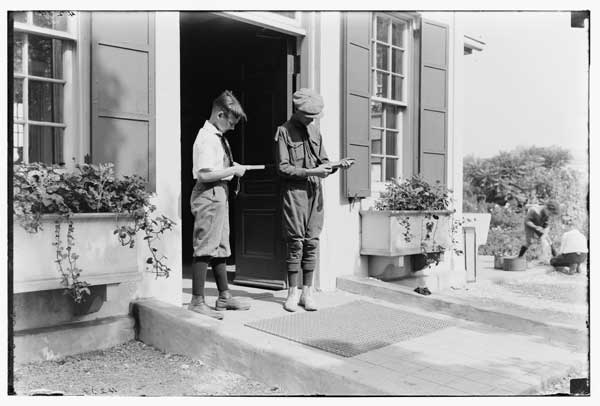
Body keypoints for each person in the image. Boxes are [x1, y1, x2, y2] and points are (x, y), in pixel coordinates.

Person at [274, 88, 353, 312]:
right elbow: (283, 168)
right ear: (297, 111)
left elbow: (324, 162)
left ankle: (307, 293)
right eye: (308, 115)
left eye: (314, 116)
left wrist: (336, 166)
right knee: (295, 242)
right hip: (295, 193)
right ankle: (292, 293)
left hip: (315, 192)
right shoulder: (283, 132)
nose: (312, 119)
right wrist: (312, 172)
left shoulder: (316, 132)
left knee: (312, 242)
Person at [188, 90, 250, 320]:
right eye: (231, 122)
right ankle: (197, 301)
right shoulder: (206, 138)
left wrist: (232, 167)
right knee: (205, 245)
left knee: (221, 245)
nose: (233, 127)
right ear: (220, 115)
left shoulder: (216, 138)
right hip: (209, 193)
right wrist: (233, 171)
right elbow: (204, 175)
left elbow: (216, 168)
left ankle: (224, 296)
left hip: (219, 193)